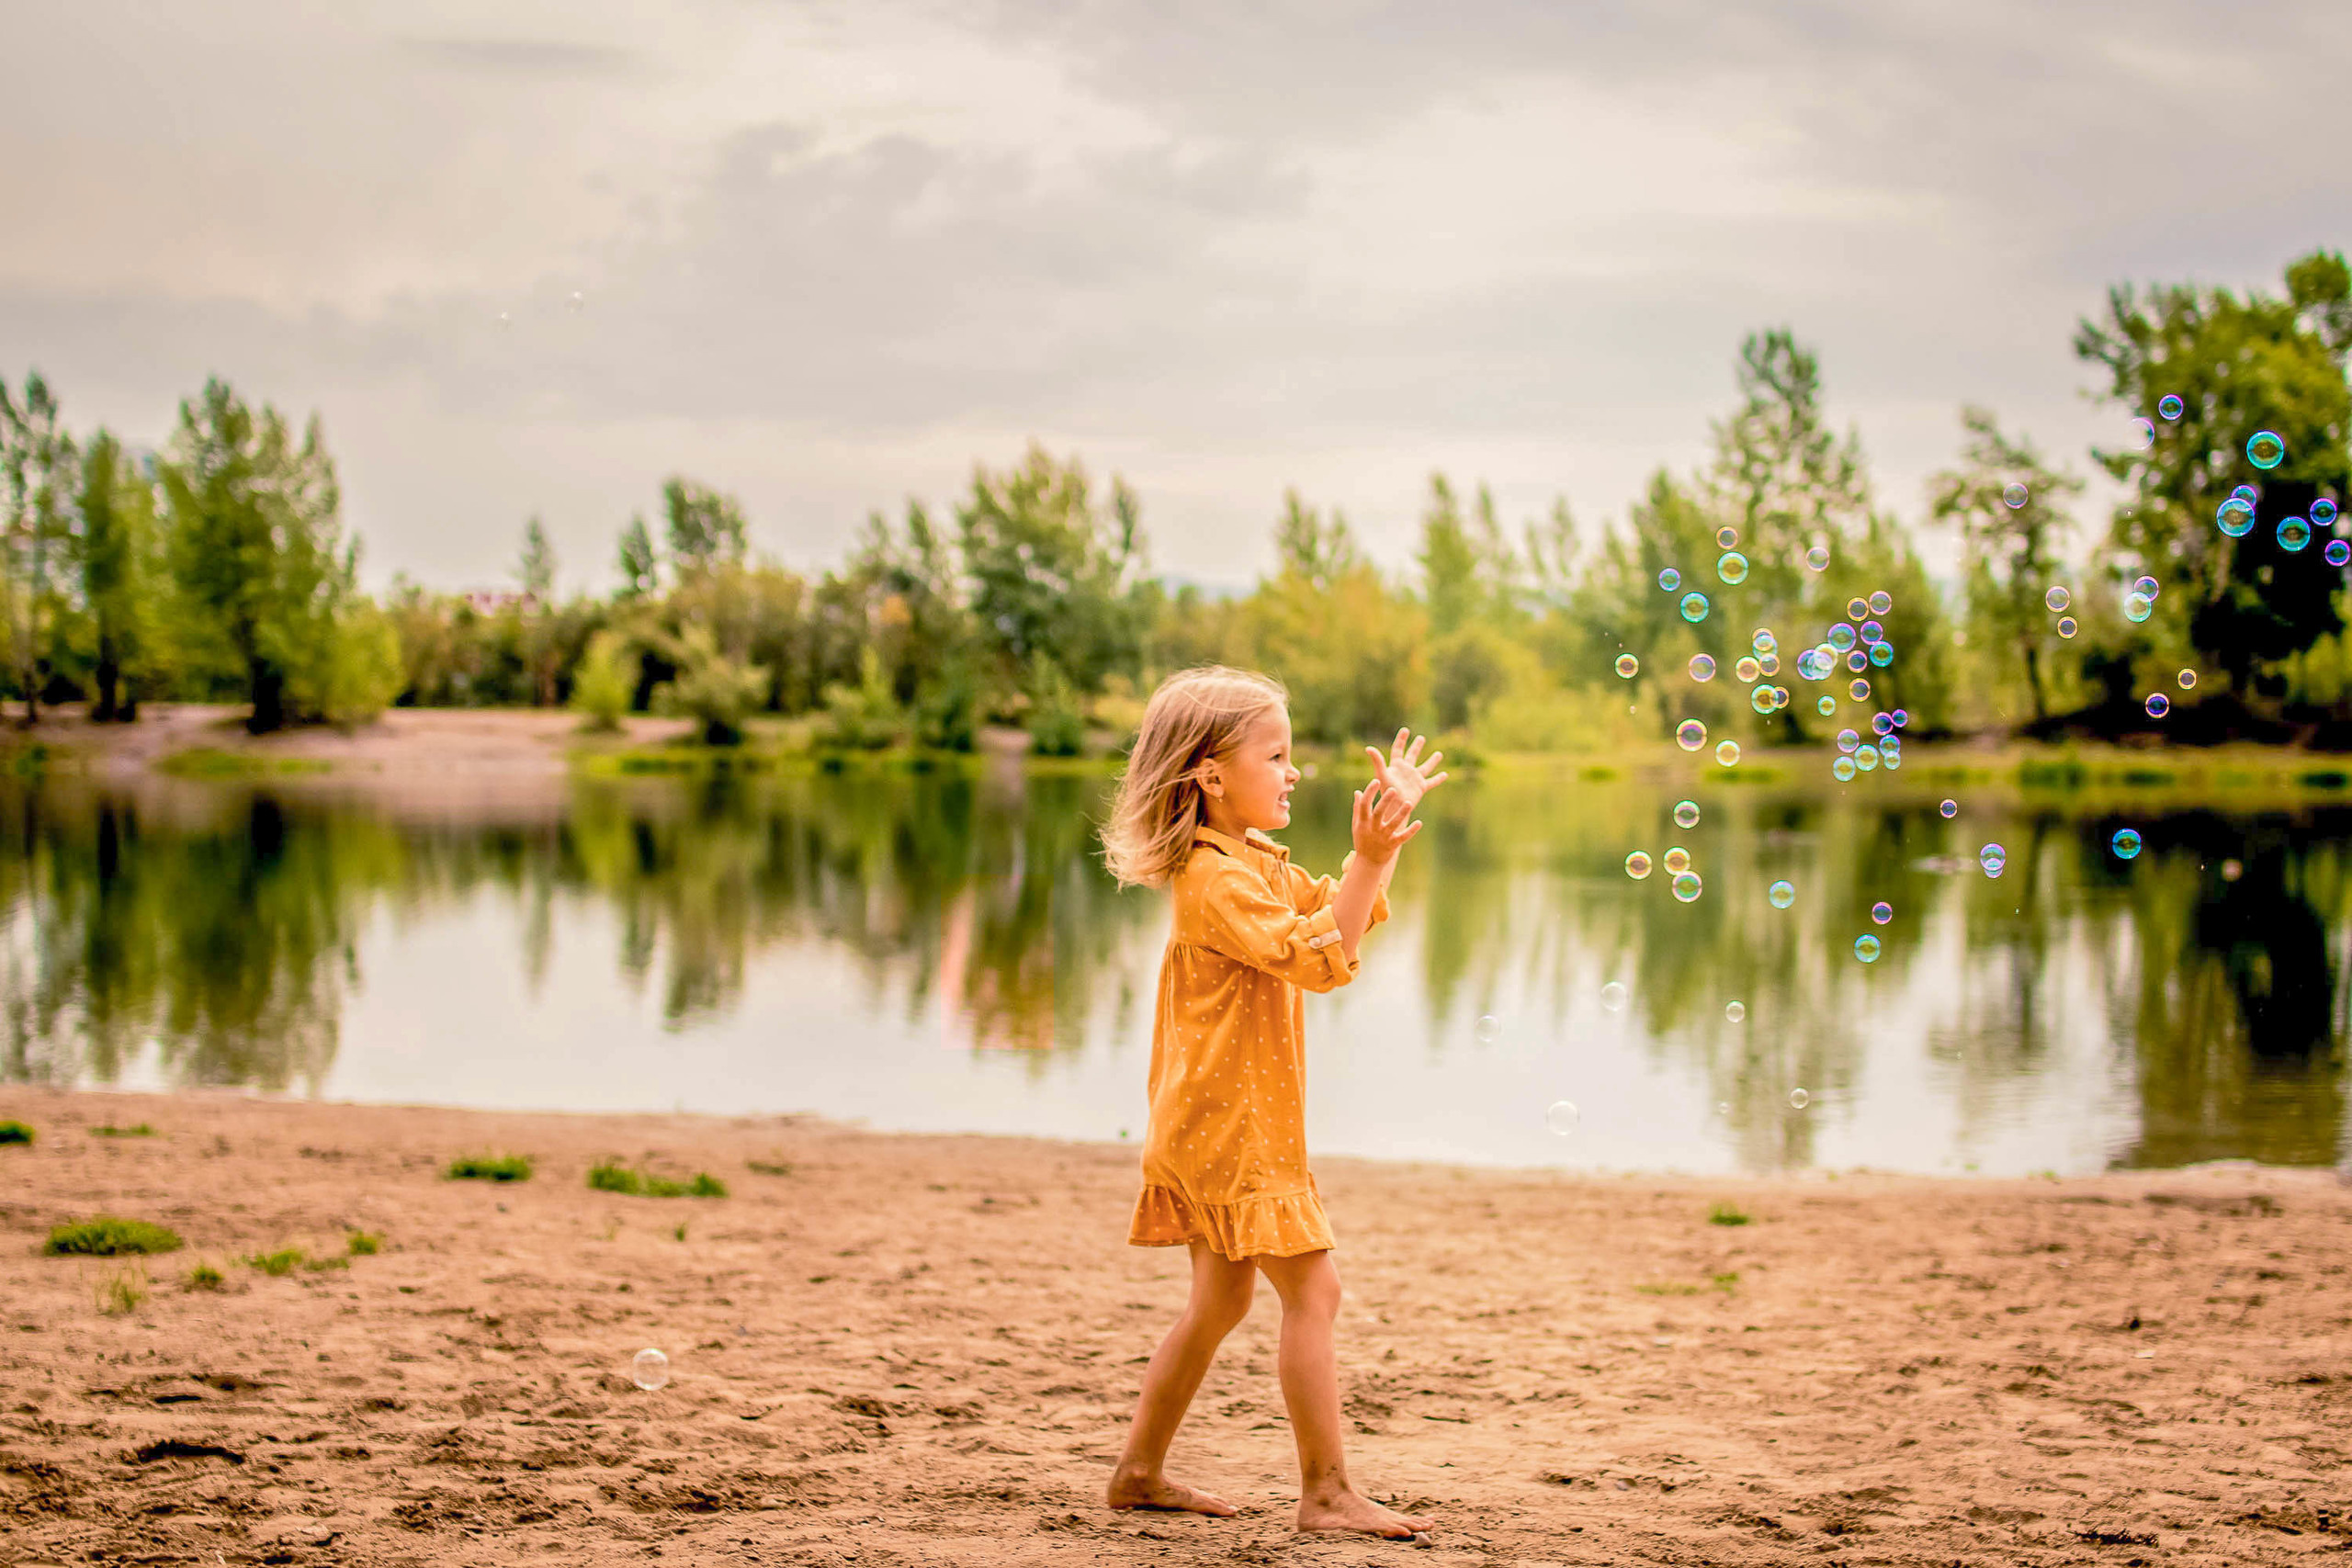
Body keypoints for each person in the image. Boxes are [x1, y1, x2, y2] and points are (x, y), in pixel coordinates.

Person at [1095, 664, 1448, 1540]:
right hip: (1233, 1131)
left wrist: (1381, 844)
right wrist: (1369, 859)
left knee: (1219, 1302)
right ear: (1211, 773)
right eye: (1277, 755)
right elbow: (1318, 960)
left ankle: (1138, 1472)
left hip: (1209, 1122)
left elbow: (1336, 920)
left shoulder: (1244, 862)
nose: (1294, 772)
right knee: (1315, 1290)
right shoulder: (1214, 879)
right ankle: (1325, 1493)